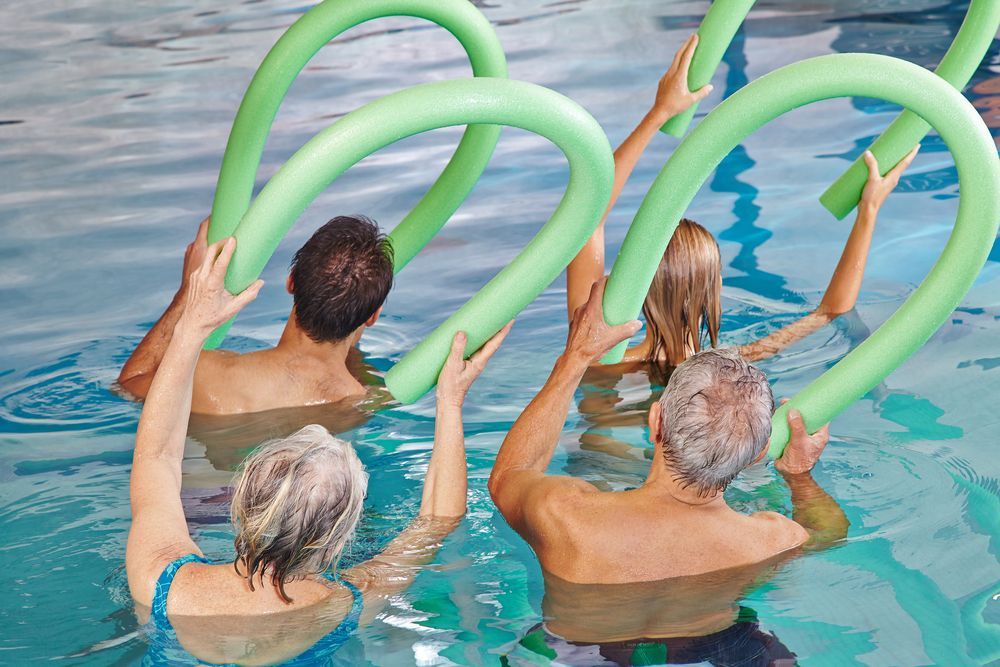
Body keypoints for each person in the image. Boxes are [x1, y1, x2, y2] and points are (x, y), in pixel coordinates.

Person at [126, 235, 510, 665]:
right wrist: (450, 402)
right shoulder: (344, 604)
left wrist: (192, 325)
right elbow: (436, 523)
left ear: (244, 501)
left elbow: (157, 457)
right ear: (339, 538)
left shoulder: (162, 579)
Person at [566, 33, 920, 373]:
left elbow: (588, 217)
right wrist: (868, 210)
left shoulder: (592, 357)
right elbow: (830, 311)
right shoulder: (730, 362)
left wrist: (659, 113)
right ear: (714, 290)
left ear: (636, 283)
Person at [488, 279, 848, 587]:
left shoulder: (567, 515)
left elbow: (508, 476)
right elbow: (830, 534)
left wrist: (574, 359)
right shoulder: (771, 538)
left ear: (655, 421)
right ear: (759, 452)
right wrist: (800, 476)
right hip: (714, 639)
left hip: (583, 651)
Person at [118, 214, 394, 414]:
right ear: (372, 317)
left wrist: (188, 293)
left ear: (291, 282)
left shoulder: (206, 373)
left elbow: (129, 386)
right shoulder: (360, 404)